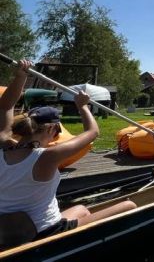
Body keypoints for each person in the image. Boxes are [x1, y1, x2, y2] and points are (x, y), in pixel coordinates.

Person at [0, 60, 136, 246]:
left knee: (81, 208)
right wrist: (82, 106)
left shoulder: (4, 145)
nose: (56, 137)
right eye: (57, 132)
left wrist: (20, 76)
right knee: (130, 206)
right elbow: (92, 132)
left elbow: (5, 107)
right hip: (46, 232)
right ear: (50, 130)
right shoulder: (46, 157)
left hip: (11, 228)